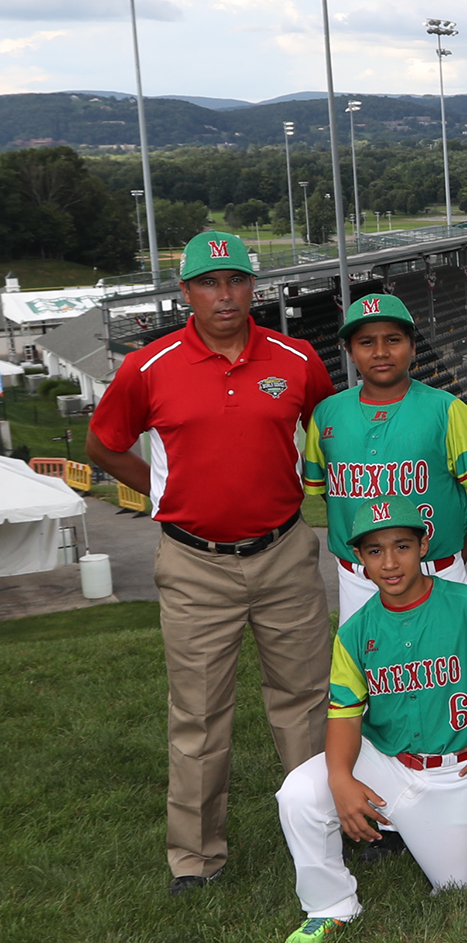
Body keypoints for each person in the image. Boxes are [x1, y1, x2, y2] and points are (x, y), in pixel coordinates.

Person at [86, 230, 336, 895]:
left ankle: (322, 836)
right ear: (186, 292)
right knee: (198, 715)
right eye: (208, 283)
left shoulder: (298, 357)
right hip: (195, 564)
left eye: (236, 281)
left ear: (254, 287)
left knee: (306, 705)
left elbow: (332, 434)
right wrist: (162, 490)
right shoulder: (148, 365)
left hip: (283, 552)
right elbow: (102, 444)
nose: (224, 295)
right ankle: (196, 859)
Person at [274, 498, 467, 943]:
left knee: (460, 882)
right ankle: (331, 906)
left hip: (453, 770)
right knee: (299, 793)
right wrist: (341, 778)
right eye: (374, 551)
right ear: (360, 561)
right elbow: (344, 715)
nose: (390, 561)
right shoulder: (356, 631)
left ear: (424, 544)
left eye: (402, 546)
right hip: (382, 759)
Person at [306, 292, 467, 625]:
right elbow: (329, 491)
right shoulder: (326, 415)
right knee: (370, 670)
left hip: (435, 568)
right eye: (366, 342)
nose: (381, 352)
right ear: (349, 351)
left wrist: (461, 548)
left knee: (450, 666)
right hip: (357, 578)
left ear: (413, 347)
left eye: (394, 340)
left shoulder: (447, 409)